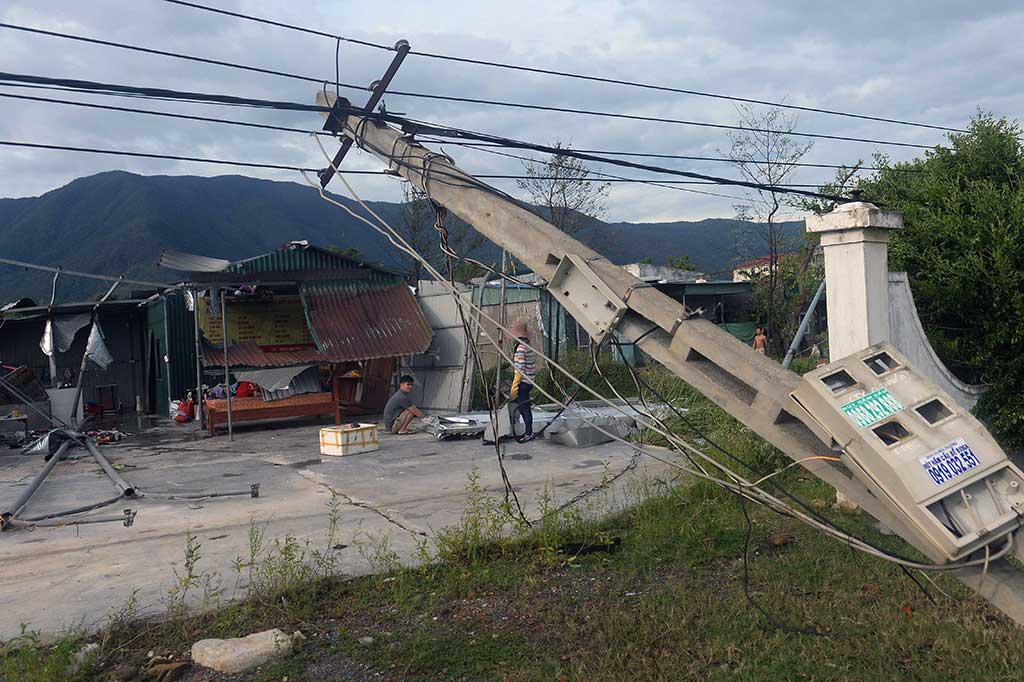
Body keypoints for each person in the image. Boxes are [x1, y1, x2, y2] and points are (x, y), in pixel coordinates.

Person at [509, 320, 537, 443]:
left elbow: (519, 369)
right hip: (530, 381)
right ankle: (528, 431)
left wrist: (514, 387)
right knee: (525, 407)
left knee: (524, 408)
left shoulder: (520, 348)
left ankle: (528, 433)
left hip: (524, 382)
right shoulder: (528, 346)